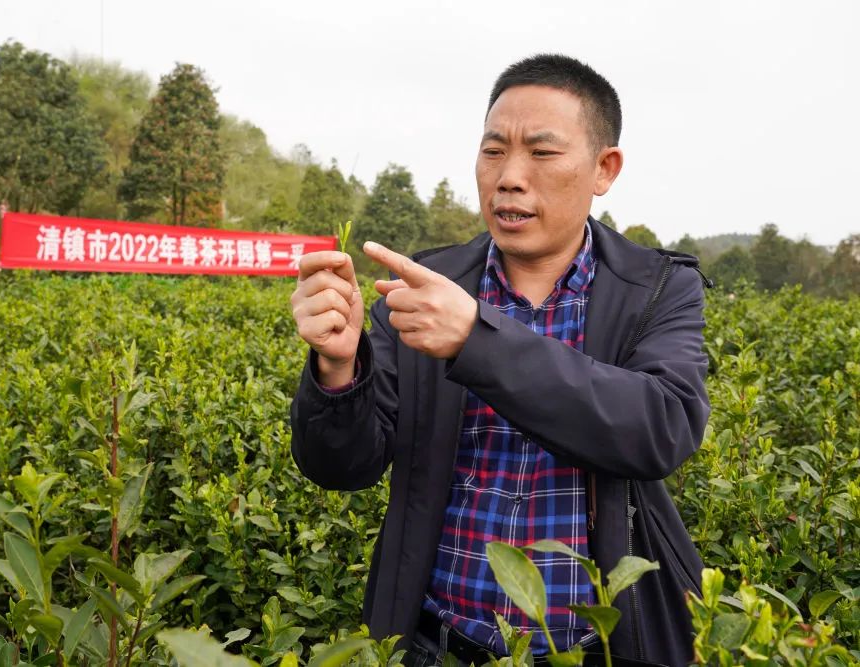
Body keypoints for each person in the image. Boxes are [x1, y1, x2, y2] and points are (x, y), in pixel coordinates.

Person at [289, 54, 710, 667]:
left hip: (597, 649)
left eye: (542, 153)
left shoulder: (656, 288)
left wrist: (475, 341)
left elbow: (659, 429)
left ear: (604, 168)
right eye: (493, 151)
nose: (509, 177)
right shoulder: (420, 290)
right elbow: (341, 466)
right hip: (437, 643)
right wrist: (337, 371)